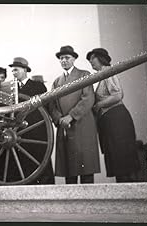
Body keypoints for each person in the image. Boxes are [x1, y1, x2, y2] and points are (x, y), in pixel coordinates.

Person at [86, 48, 140, 183]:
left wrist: (98, 105)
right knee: (117, 159)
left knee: (122, 157)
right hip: (110, 121)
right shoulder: (102, 75)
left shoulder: (108, 72)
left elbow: (117, 95)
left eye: (93, 58)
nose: (91, 62)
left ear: (100, 58)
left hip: (116, 119)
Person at [49, 45, 100, 184]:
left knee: (86, 168)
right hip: (64, 127)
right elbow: (51, 104)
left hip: (82, 124)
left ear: (74, 59)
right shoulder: (56, 81)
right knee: (69, 169)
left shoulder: (84, 75)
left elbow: (88, 98)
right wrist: (59, 119)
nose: (64, 60)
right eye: (61, 58)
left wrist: (71, 116)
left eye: (67, 57)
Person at [8, 57, 55, 184]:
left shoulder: (38, 86)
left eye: (16, 70)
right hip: (20, 131)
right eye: (12, 71)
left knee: (40, 156)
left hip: (37, 129)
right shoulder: (12, 89)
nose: (13, 73)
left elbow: (46, 106)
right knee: (24, 160)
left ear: (25, 70)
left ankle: (47, 185)